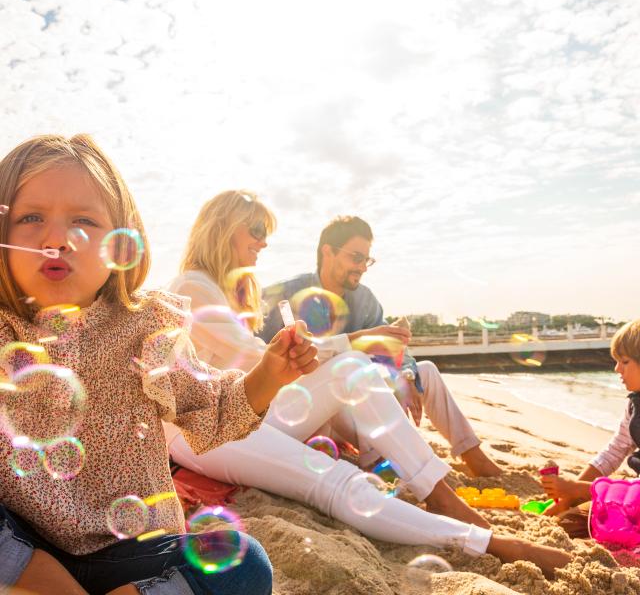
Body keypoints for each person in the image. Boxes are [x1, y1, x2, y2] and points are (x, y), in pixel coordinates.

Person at [165, 190, 571, 578]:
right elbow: (259, 358)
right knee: (331, 479)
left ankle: (439, 493)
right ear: (222, 226)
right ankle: (481, 540)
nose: (264, 243)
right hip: (205, 429)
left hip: (245, 412)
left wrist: (353, 355)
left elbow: (265, 372)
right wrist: (352, 339)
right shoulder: (192, 287)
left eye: (265, 233)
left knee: (352, 369)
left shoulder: (230, 290)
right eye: (255, 230)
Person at [0, 136, 319, 594]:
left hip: (130, 553)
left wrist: (270, 373)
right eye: (31, 217)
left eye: (84, 221)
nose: (56, 239)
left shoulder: (145, 328)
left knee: (244, 563)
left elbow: (213, 409)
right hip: (24, 555)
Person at [260, 215, 501, 477]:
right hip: (308, 408)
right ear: (327, 251)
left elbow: (392, 347)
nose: (363, 267)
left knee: (426, 371)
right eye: (356, 257)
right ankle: (381, 461)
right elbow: (262, 358)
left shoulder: (364, 299)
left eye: (367, 260)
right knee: (348, 377)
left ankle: (472, 454)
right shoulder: (284, 295)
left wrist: (407, 374)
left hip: (356, 407)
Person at [541, 320, 640, 536]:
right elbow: (615, 450)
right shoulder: (634, 404)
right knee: (569, 521)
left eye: (624, 362)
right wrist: (569, 498)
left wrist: (578, 489)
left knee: (587, 523)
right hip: (635, 495)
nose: (616, 369)